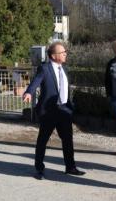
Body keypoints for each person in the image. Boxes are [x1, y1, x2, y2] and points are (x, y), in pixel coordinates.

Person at [22, 41, 85, 180]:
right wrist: (29, 92)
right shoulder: (45, 68)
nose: (65, 54)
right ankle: (39, 169)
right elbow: (36, 81)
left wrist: (70, 106)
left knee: (68, 140)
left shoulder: (64, 69)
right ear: (53, 55)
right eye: (62, 52)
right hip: (49, 111)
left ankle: (70, 167)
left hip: (64, 110)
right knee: (43, 140)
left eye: (65, 52)